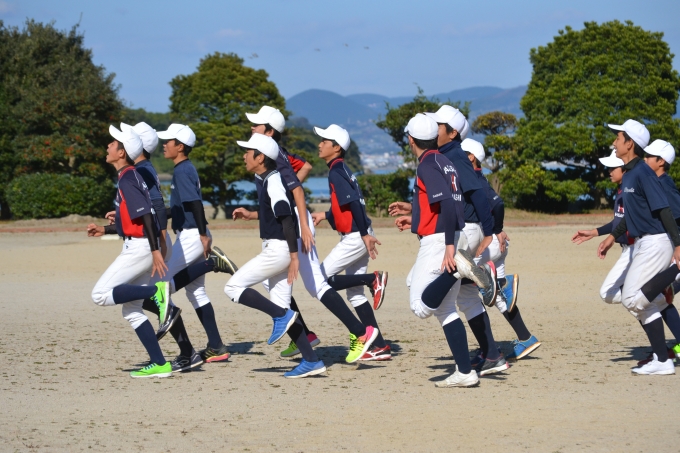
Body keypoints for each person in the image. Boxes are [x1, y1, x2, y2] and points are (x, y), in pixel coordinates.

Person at [245, 107, 389, 361]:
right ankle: (367, 343)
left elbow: (299, 190)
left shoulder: (278, 155)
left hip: (319, 230)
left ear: (269, 132)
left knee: (318, 282)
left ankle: (355, 330)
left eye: (256, 125)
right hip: (317, 228)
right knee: (320, 287)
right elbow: (300, 177)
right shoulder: (278, 154)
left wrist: (301, 221)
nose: (251, 128)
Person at [391, 105, 508, 375]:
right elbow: (445, 199)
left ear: (452, 132)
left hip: (461, 230)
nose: (435, 129)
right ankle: (490, 355)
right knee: (462, 300)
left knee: (424, 293)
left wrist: (490, 231)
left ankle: (471, 272)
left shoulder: (451, 156)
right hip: (456, 228)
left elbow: (477, 196)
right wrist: (415, 215)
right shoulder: (443, 157)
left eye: (439, 125)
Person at [227, 133, 326, 378]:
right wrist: (251, 214)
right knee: (283, 306)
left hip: (279, 250)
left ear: (260, 157)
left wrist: (293, 257)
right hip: (280, 249)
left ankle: (281, 315)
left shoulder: (273, 181)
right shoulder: (269, 179)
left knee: (233, 287)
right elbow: (276, 213)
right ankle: (311, 360)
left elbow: (286, 219)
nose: (244, 156)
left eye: (248, 152)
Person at [87, 125, 171, 378]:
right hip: (142, 245)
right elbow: (137, 217)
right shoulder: (130, 175)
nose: (108, 146)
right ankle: (160, 363)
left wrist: (155, 251)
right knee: (131, 310)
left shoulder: (127, 178)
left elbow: (147, 216)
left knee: (100, 294)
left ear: (122, 153)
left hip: (140, 248)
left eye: (113, 144)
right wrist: (107, 229)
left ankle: (155, 292)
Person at [597, 120, 680, 375]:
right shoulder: (632, 174)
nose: (614, 142)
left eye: (618, 138)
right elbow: (630, 216)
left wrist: (678, 245)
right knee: (641, 302)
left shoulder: (643, 173)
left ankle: (675, 272)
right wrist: (612, 237)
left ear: (629, 143)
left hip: (655, 241)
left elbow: (664, 211)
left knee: (632, 298)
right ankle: (662, 360)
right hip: (645, 242)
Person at [156, 123, 236, 367]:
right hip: (194, 233)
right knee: (196, 292)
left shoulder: (182, 171)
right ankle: (216, 347)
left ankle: (212, 263)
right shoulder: (184, 169)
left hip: (192, 235)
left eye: (168, 141)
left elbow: (195, 205)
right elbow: (179, 208)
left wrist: (203, 234)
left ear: (180, 146)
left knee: (161, 285)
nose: (164, 145)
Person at [462, 138, 541, 360]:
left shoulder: (473, 178)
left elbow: (497, 203)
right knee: (499, 298)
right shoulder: (477, 177)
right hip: (495, 244)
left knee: (461, 281)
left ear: (471, 158)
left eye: (461, 154)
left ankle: (501, 283)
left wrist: (496, 230)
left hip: (489, 244)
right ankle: (526, 338)